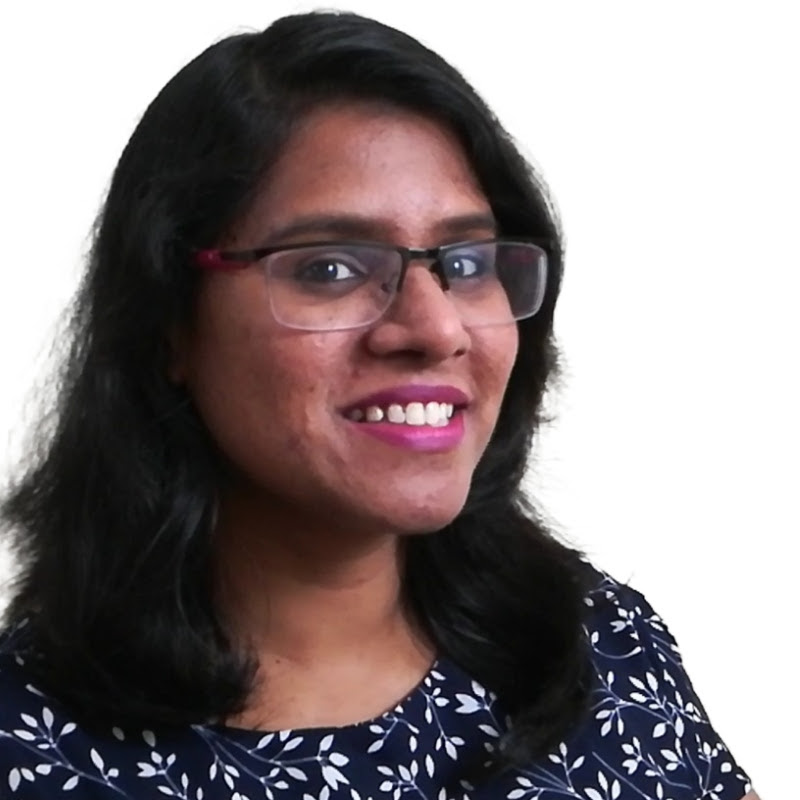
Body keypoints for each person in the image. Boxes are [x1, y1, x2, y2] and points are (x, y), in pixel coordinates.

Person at [0, 11, 756, 800]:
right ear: (169, 324)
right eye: (330, 268)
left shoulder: (603, 645)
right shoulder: (27, 750)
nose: (436, 328)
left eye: (467, 262)